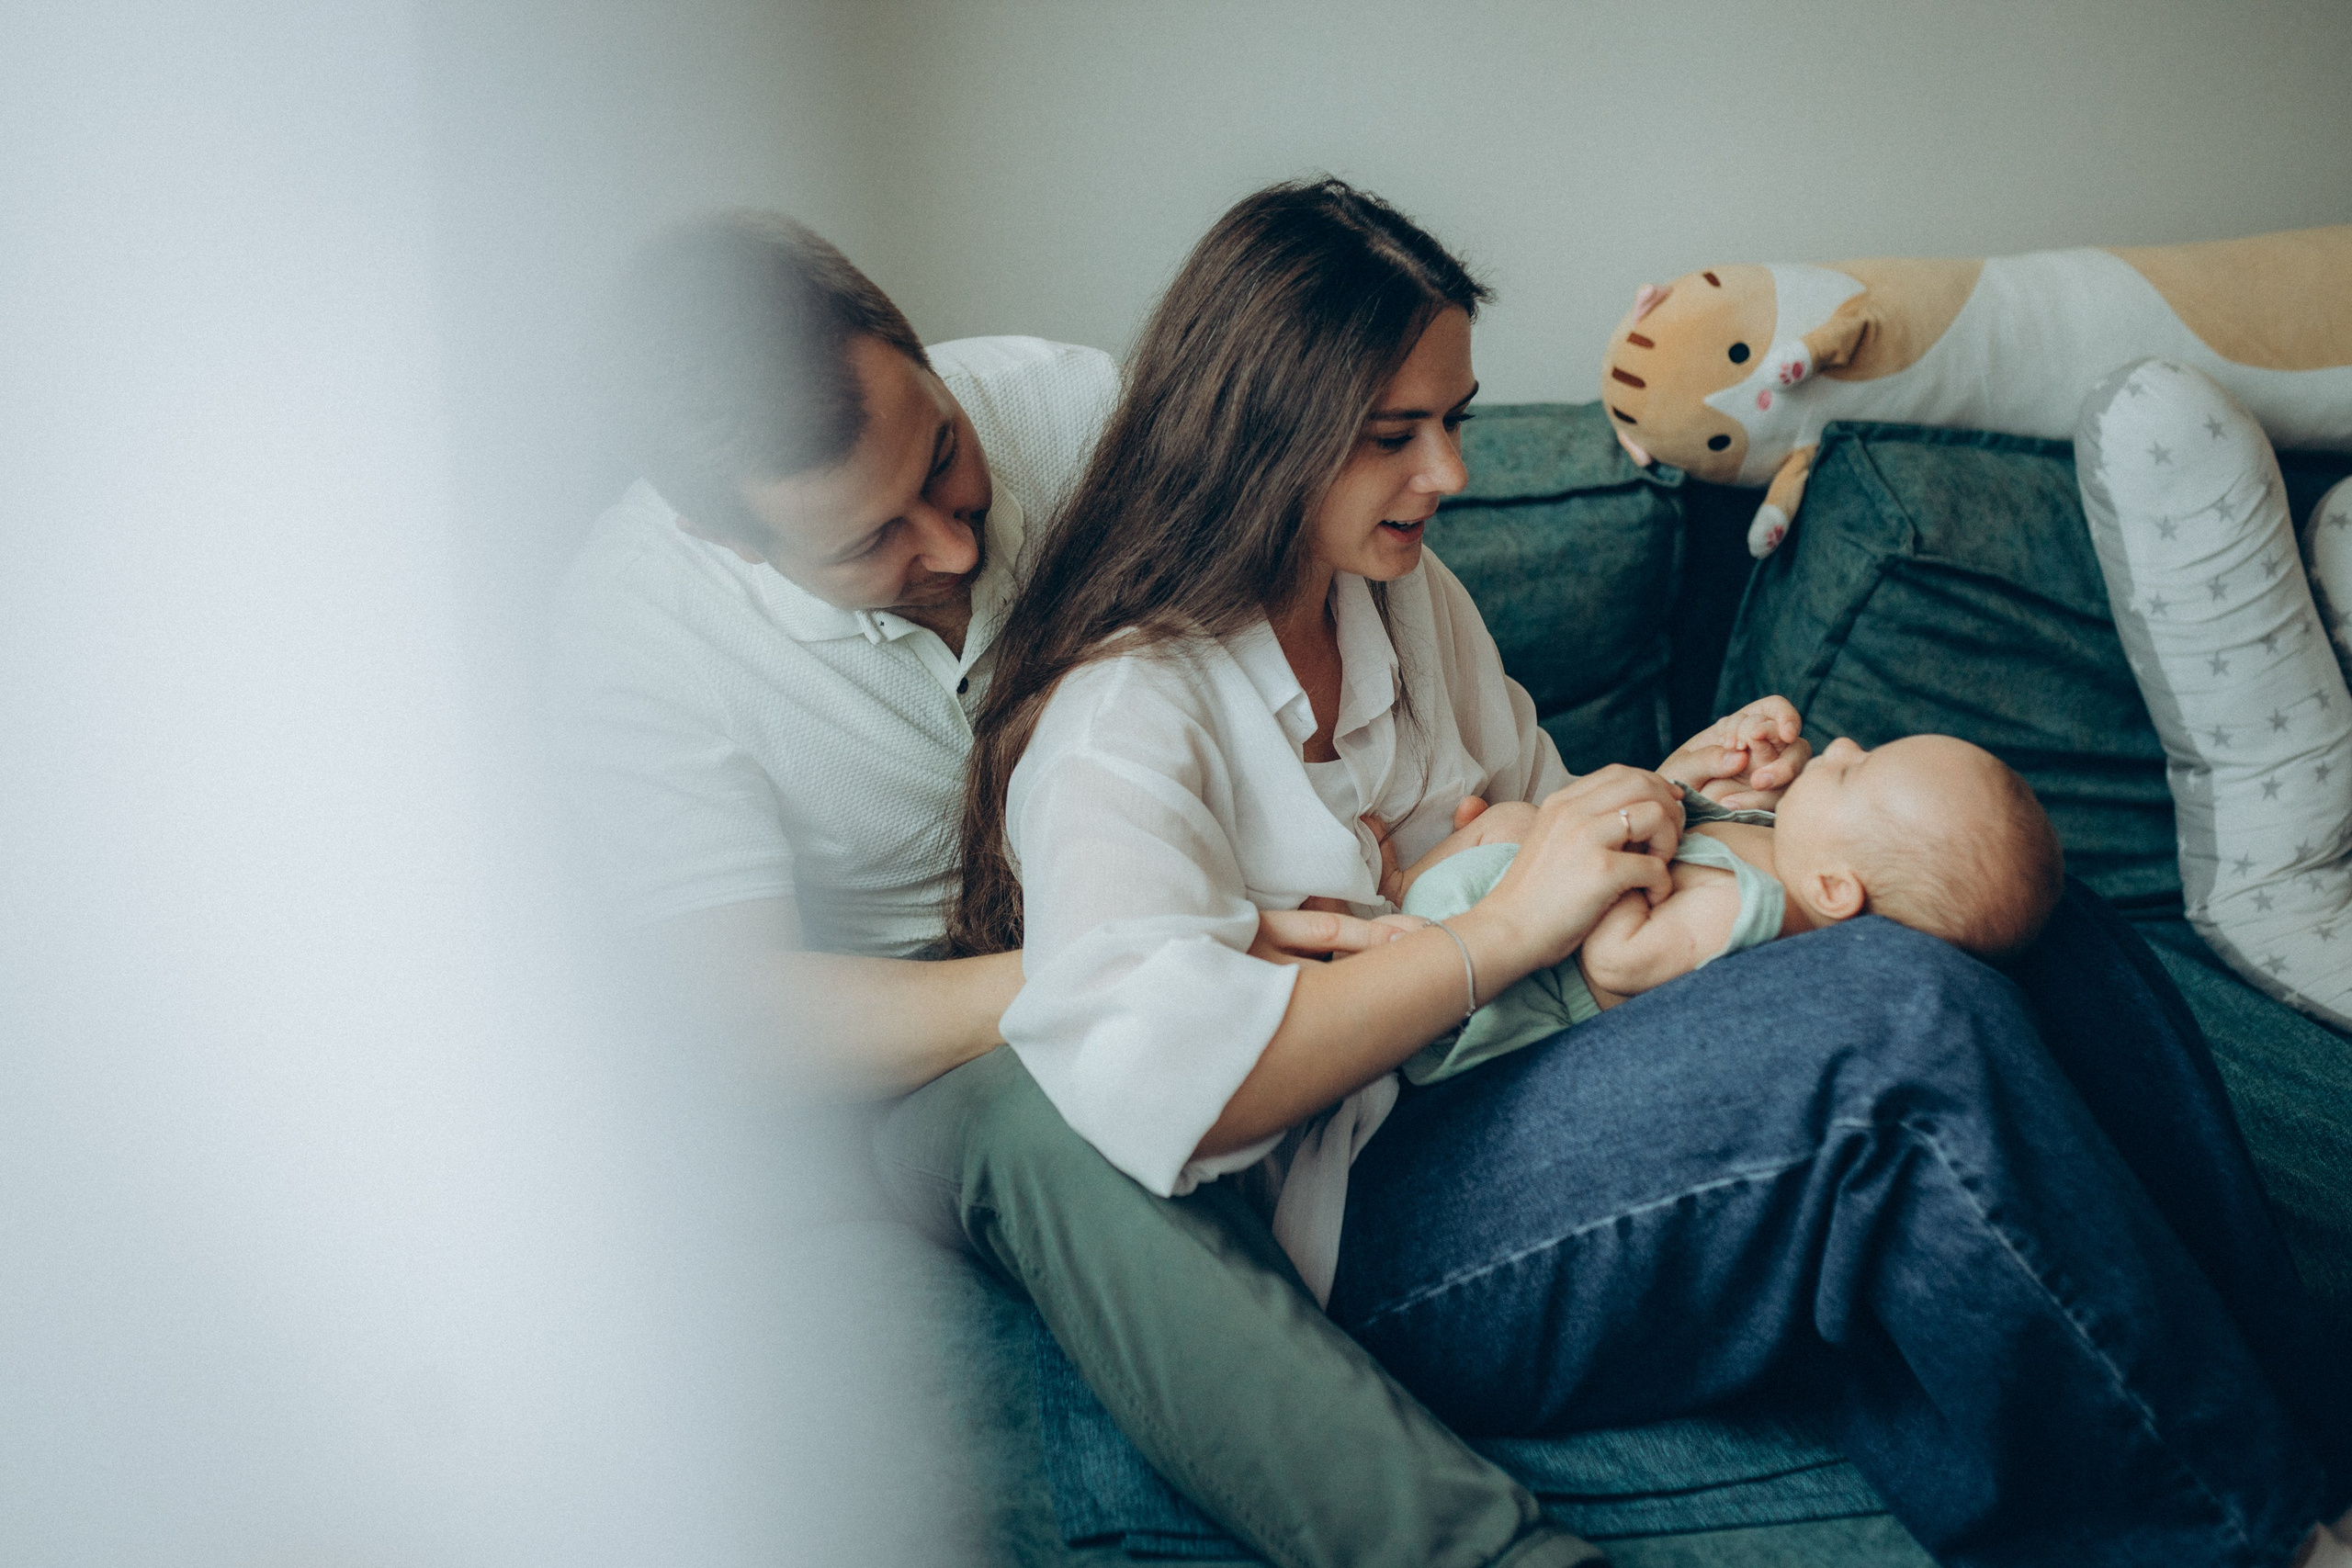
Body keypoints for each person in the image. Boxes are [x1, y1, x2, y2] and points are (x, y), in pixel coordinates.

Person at [952, 176, 2352, 1567]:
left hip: (1538, 1055)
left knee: (2028, 909)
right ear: (1260, 432)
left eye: (1455, 420)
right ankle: (2238, 1538)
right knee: (1896, 1016)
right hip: (1373, 1219)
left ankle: (2296, 1431)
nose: (1449, 475)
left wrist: (1692, 800)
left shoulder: (1400, 593)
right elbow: (1163, 1094)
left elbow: (1549, 826)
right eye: (1397, 435)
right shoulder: (1121, 717)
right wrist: (1496, 935)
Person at [549, 209, 1607, 1567]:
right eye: (870, 542)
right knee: (1052, 1127)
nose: (949, 539)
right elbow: (743, 1017)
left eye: (943, 455)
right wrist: (1122, 966)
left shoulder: (1075, 408)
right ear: (736, 543)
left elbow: (1311, 653)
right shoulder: (633, 640)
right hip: (938, 1027)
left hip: (1224, 899)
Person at [1385, 728, 2066, 1084]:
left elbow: (1618, 961)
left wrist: (1631, 844)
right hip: (1517, 920)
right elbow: (1693, 827)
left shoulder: (1739, 908)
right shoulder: (1783, 848)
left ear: (1834, 890)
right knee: (1510, 821)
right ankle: (1405, 886)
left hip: (1507, 1005)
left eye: (1855, 770)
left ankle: (1396, 905)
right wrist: (1692, 779)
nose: (1841, 745)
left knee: (1508, 825)